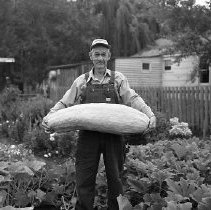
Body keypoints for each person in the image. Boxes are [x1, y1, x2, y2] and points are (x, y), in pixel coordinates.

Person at [42, 38, 156, 210]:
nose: (100, 58)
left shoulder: (118, 79)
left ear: (109, 56)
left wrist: (149, 114)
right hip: (88, 136)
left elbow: (133, 98)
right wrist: (50, 116)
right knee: (84, 178)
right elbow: (65, 102)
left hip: (114, 136)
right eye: (97, 54)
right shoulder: (82, 81)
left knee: (115, 179)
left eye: (104, 54)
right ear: (91, 56)